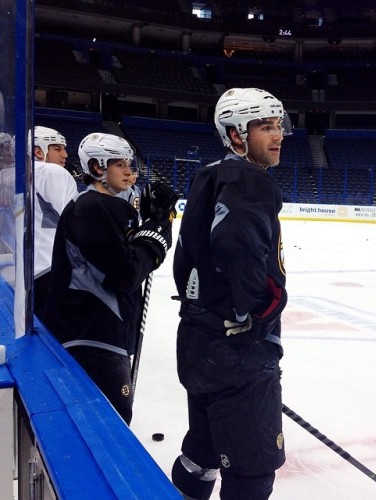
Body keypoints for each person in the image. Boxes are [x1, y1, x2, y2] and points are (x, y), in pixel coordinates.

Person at [171, 88, 292, 500]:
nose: (277, 135)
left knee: (202, 453)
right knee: (252, 469)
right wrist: (258, 312)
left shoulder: (208, 176)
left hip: (200, 340)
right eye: (264, 126)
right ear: (236, 136)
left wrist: (203, 309)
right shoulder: (251, 181)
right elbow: (235, 244)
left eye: (278, 125)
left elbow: (184, 259)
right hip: (239, 354)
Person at [43, 132, 177, 424]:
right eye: (119, 164)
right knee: (109, 423)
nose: (129, 171)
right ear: (96, 169)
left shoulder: (106, 207)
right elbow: (125, 274)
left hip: (102, 334)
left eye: (129, 163)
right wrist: (155, 237)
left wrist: (154, 226)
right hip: (93, 338)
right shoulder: (91, 208)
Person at [33, 126, 78, 319]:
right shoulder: (53, 172)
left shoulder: (9, 173)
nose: (65, 154)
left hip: (23, 271)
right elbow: (76, 223)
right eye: (58, 149)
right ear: (38, 150)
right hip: (50, 269)